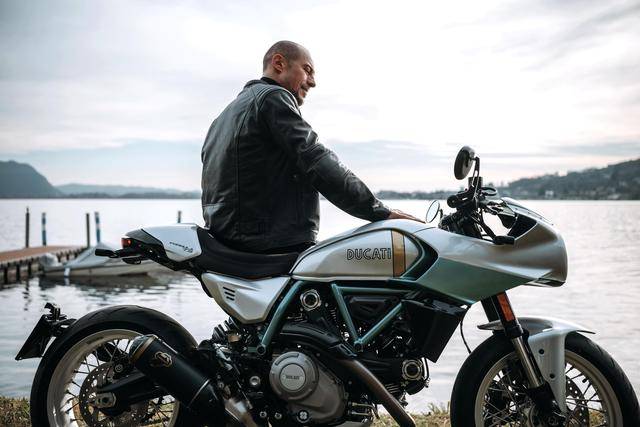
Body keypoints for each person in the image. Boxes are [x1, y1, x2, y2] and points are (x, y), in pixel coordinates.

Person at [201, 40, 421, 254]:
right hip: (270, 244)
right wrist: (379, 212)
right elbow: (316, 159)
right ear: (279, 63)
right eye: (307, 70)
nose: (313, 82)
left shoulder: (221, 119)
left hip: (228, 242)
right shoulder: (273, 97)